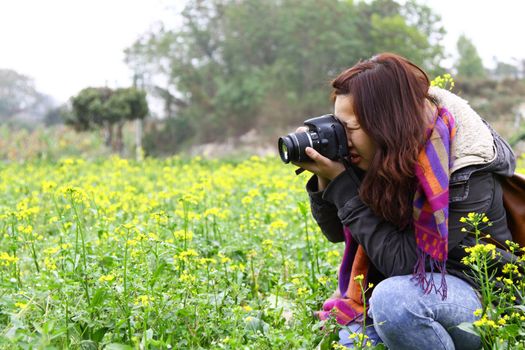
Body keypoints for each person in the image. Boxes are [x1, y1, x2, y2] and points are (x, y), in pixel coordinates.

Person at [293, 53, 516, 349]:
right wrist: (327, 178)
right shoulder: (382, 153)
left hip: (482, 298)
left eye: (350, 129)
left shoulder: (466, 170)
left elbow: (406, 262)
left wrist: (343, 185)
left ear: (386, 123)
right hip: (415, 289)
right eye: (338, 126)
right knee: (352, 342)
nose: (343, 139)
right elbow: (335, 232)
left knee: (394, 303)